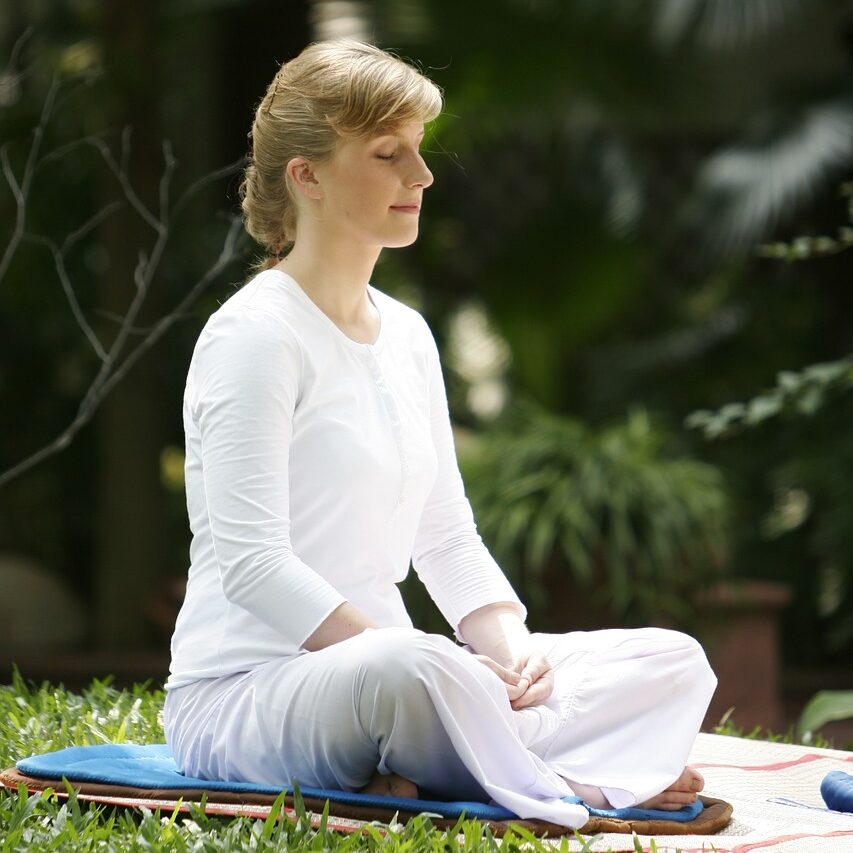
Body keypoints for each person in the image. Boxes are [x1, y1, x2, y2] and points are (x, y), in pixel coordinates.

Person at [163, 38, 717, 829]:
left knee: (670, 659)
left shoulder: (408, 334)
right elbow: (253, 565)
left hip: (403, 677)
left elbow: (445, 533)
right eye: (388, 154)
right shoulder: (253, 336)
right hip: (251, 694)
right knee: (412, 665)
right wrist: (447, 666)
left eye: (417, 152)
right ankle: (579, 784)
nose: (420, 177)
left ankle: (465, 758)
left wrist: (508, 652)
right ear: (306, 176)